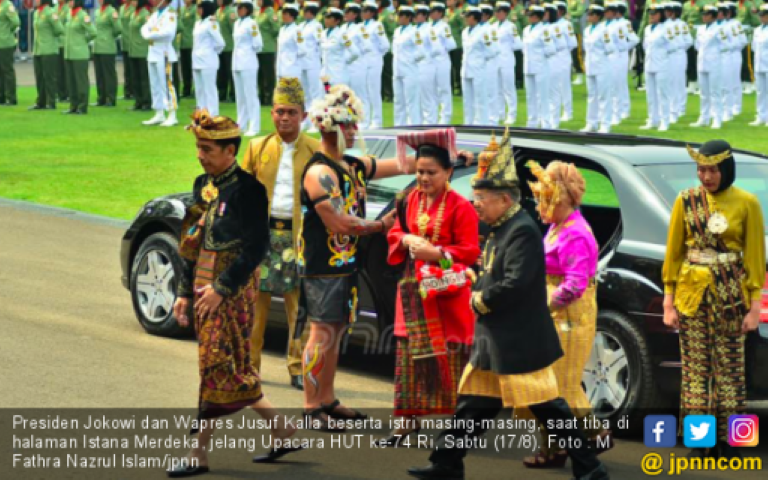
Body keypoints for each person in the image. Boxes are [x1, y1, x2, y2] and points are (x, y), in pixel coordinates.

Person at [406, 129, 610, 480]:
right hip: (497, 337)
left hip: (519, 339)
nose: (476, 204)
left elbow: (515, 283)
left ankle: (590, 468)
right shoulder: (502, 226)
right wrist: (460, 278)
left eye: (481, 198)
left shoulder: (522, 230)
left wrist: (479, 299)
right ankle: (445, 464)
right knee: (473, 406)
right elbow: (489, 272)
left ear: (503, 198)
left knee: (551, 409)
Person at [166, 109, 303, 478]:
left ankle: (198, 453)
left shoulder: (250, 190)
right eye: (198, 147)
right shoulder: (202, 184)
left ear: (230, 151)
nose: (200, 154)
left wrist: (222, 288)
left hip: (232, 292)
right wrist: (184, 291)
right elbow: (190, 243)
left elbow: (257, 248)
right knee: (230, 368)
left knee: (215, 367)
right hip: (203, 288)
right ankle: (281, 427)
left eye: (207, 149)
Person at [299, 80, 413, 430]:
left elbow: (402, 165)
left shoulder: (353, 164)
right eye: (348, 123)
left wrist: (445, 155)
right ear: (329, 126)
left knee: (336, 332)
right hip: (324, 266)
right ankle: (311, 406)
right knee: (321, 333)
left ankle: (328, 399)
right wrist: (382, 226)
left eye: (354, 122)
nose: (354, 129)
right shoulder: (320, 172)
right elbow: (340, 223)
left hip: (347, 264)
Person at [662, 140, 765, 460]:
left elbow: (754, 259)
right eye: (701, 170)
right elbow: (674, 253)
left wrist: (754, 307)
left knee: (731, 371)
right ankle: (700, 440)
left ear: (726, 169)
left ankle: (732, 440)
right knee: (695, 372)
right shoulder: (686, 201)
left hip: (731, 298)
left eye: (712, 170)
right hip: (692, 297)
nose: (706, 177)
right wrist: (668, 302)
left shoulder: (747, 203)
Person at [380, 127, 480, 446]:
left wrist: (437, 254)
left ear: (449, 172)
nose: (423, 178)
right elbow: (395, 233)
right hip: (413, 294)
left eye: (431, 173)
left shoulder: (461, 206)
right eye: (420, 172)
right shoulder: (411, 200)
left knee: (452, 358)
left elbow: (470, 251)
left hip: (447, 295)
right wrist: (405, 238)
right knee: (408, 358)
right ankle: (405, 424)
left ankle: (459, 430)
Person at [520, 159, 613, 468]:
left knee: (563, 386)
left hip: (570, 316)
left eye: (541, 200)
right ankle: (553, 450)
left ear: (556, 198)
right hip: (554, 314)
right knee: (546, 386)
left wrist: (542, 305)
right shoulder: (559, 227)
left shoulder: (576, 233)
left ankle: (595, 433)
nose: (537, 207)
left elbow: (574, 285)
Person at [240, 77, 318, 391]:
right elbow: (242, 193)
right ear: (271, 113)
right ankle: (250, 366)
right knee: (255, 307)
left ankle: (297, 368)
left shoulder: (314, 150)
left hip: (297, 237)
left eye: (291, 112)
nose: (284, 117)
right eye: (279, 111)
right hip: (263, 237)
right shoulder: (258, 147)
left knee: (297, 310)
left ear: (304, 116)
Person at [140, 0, 179, 126]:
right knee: (155, 84)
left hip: (164, 52)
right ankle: (159, 112)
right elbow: (144, 27)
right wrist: (148, 34)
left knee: (166, 84)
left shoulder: (170, 14)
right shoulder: (155, 14)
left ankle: (172, 114)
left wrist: (151, 34)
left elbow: (169, 33)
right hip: (152, 51)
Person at [691, 5, 727, 129]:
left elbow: (725, 44)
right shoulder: (700, 29)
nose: (704, 16)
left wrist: (715, 53)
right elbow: (697, 45)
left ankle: (717, 118)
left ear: (713, 16)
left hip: (714, 63)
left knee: (715, 92)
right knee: (703, 92)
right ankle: (704, 117)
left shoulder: (719, 28)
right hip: (702, 62)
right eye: (703, 14)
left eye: (706, 14)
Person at [580, 4, 614, 133]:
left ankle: (605, 124)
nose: (588, 16)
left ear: (598, 16)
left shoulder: (604, 30)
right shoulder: (587, 30)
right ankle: (591, 122)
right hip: (590, 66)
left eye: (591, 14)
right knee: (592, 96)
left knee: (603, 96)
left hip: (602, 66)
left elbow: (610, 48)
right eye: (588, 14)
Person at [641, 4, 674, 131]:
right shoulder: (648, 29)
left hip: (662, 63)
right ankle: (652, 119)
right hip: (649, 63)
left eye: (654, 14)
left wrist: (663, 54)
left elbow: (672, 45)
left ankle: (664, 120)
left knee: (663, 94)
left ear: (661, 15)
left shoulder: (666, 28)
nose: (651, 16)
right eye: (650, 14)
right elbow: (645, 45)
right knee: (651, 94)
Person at [231, 0, 262, 136]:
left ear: (247, 9)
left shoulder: (252, 23)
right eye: (237, 7)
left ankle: (254, 126)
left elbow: (258, 44)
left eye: (241, 7)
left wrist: (248, 51)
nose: (238, 10)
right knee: (240, 96)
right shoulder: (237, 23)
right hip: (237, 61)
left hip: (248, 61)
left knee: (250, 95)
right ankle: (241, 124)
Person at [523, 5, 556, 129]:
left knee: (543, 95)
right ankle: (532, 122)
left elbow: (551, 49)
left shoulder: (544, 30)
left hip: (541, 66)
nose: (529, 17)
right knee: (530, 95)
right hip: (529, 66)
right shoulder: (527, 29)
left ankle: (546, 123)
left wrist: (539, 56)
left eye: (531, 15)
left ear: (537, 16)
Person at [62, 0, 96, 114]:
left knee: (81, 82)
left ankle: (82, 107)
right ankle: (73, 106)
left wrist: (83, 41)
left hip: (80, 54)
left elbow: (93, 32)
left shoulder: (83, 15)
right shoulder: (69, 14)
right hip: (69, 53)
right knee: (71, 82)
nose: (69, 2)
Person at [29, 0, 63, 111]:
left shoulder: (50, 13)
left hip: (49, 49)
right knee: (39, 77)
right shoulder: (36, 13)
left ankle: (51, 102)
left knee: (49, 77)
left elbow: (59, 29)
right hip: (38, 49)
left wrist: (50, 39)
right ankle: (41, 102)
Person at [360, 0, 390, 128]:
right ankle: (365, 119)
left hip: (374, 60)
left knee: (373, 90)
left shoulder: (377, 25)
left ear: (371, 13)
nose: (362, 13)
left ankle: (377, 120)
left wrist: (375, 55)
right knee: (364, 91)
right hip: (362, 61)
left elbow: (385, 45)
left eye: (365, 11)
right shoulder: (361, 26)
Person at [492, 2, 522, 126]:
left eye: (500, 11)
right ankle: (500, 113)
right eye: (497, 11)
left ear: (505, 13)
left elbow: (518, 44)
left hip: (507, 59)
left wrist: (507, 48)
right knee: (497, 88)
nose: (498, 14)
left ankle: (512, 114)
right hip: (496, 60)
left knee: (508, 88)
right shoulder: (493, 26)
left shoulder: (511, 26)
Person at [193, 0, 225, 115]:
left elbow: (220, 42)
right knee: (199, 89)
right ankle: (201, 114)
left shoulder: (211, 23)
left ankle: (213, 114)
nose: (198, 10)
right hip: (196, 60)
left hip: (208, 60)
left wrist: (211, 52)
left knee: (209, 89)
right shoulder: (198, 23)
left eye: (201, 8)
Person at [461, 6, 492, 125]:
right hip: (466, 68)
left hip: (478, 68)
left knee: (480, 98)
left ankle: (482, 123)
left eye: (467, 17)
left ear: (474, 17)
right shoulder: (465, 32)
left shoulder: (483, 31)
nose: (465, 19)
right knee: (467, 99)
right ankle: (468, 122)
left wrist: (480, 60)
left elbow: (492, 51)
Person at [609, 1, 638, 124]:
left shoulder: (625, 23)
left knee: (620, 83)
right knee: (612, 84)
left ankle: (624, 109)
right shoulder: (608, 24)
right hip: (609, 56)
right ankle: (614, 109)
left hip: (620, 56)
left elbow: (634, 39)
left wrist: (623, 48)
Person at [393, 5, 422, 126]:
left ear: (408, 17)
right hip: (397, 69)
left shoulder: (414, 31)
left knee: (411, 101)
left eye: (401, 15)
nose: (398, 18)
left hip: (410, 70)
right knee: (399, 101)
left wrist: (410, 59)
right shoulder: (397, 31)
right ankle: (399, 125)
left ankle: (414, 125)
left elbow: (421, 51)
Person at [665, 2, 693, 124]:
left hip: (678, 55)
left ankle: (680, 108)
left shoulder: (682, 25)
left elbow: (689, 41)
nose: (667, 13)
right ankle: (669, 108)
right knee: (668, 83)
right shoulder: (664, 24)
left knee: (678, 82)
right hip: (665, 56)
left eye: (669, 10)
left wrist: (678, 48)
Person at [341, 3, 369, 123]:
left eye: (349, 12)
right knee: (347, 95)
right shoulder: (342, 28)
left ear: (355, 14)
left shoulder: (360, 28)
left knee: (360, 94)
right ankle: (350, 119)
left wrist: (354, 56)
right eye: (345, 11)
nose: (346, 14)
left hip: (357, 64)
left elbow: (366, 46)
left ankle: (364, 121)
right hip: (345, 66)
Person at [91, 0, 121, 108]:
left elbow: (118, 29)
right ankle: (101, 98)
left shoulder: (111, 11)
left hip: (107, 46)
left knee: (109, 75)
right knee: (99, 75)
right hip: (97, 46)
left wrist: (108, 37)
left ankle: (111, 98)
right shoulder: (98, 11)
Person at [553, 1, 576, 123]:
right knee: (554, 86)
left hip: (562, 57)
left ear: (561, 11)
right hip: (551, 58)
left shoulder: (566, 24)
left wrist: (562, 50)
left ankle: (568, 112)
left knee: (564, 85)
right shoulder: (549, 24)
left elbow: (572, 43)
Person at [129, 0, 152, 111]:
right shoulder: (134, 13)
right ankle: (138, 101)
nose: (133, 2)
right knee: (135, 77)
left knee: (144, 78)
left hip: (143, 50)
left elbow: (149, 30)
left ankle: (146, 101)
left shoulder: (145, 14)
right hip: (133, 50)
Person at [256, 0, 279, 106]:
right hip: (259, 48)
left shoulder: (270, 13)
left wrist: (268, 38)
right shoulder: (259, 12)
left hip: (268, 48)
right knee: (260, 74)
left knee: (268, 75)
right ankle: (261, 96)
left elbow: (276, 29)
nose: (257, 1)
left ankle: (269, 97)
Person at [320, 6, 350, 86]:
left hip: (337, 74)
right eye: (326, 17)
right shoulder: (323, 33)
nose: (326, 19)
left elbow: (355, 52)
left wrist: (343, 62)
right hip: (325, 74)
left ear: (337, 20)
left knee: (338, 97)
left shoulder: (341, 34)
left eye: (329, 17)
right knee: (326, 96)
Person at [215, 0, 237, 102]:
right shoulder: (218, 11)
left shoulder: (231, 12)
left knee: (230, 72)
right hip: (220, 48)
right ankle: (222, 94)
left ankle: (233, 94)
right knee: (221, 73)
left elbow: (234, 29)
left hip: (229, 46)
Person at [0, 0, 20, 106]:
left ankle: (11, 97)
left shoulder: (7, 5)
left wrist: (8, 32)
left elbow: (15, 21)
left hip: (6, 42)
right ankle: (1, 96)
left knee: (7, 70)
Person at [277, 3, 302, 85]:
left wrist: (292, 59)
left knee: (291, 94)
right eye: (283, 14)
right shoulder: (282, 29)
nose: (283, 16)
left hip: (292, 67)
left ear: (292, 16)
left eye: (286, 14)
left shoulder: (296, 30)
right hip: (281, 66)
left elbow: (302, 49)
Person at [751, 4, 768, 126]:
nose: (762, 18)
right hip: (759, 63)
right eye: (761, 16)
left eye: (764, 15)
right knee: (760, 91)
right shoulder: (757, 30)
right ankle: (761, 115)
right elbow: (753, 47)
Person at [179, 0, 196, 98]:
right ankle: (186, 89)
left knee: (192, 67)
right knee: (185, 68)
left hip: (191, 41)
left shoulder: (194, 9)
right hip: (182, 41)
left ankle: (194, 89)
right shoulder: (182, 9)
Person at [446, 0, 464, 96]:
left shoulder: (459, 12)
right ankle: (451, 88)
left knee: (457, 67)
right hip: (447, 44)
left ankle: (460, 87)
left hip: (457, 43)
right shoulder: (445, 12)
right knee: (448, 67)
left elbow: (463, 26)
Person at [380, 0, 396, 102]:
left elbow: (392, 29)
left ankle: (390, 93)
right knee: (380, 73)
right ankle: (381, 93)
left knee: (387, 72)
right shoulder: (378, 13)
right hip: (378, 49)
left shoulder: (388, 14)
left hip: (387, 47)